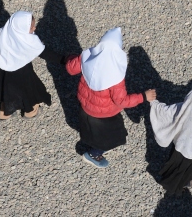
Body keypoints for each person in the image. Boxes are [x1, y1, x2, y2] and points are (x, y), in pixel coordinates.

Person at [63, 27, 156, 168]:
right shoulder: (115, 75)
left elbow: (70, 68)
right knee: (113, 138)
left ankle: (90, 140)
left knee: (90, 128)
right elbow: (122, 101)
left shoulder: (87, 56)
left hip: (85, 105)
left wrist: (70, 57)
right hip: (105, 114)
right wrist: (144, 96)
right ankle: (93, 154)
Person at [0, 11, 55, 120]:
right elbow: (46, 54)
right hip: (24, 72)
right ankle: (30, 111)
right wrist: (66, 60)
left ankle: (4, 113)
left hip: (5, 71)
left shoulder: (5, 33)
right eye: (31, 27)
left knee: (6, 91)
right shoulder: (29, 41)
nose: (34, 29)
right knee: (28, 91)